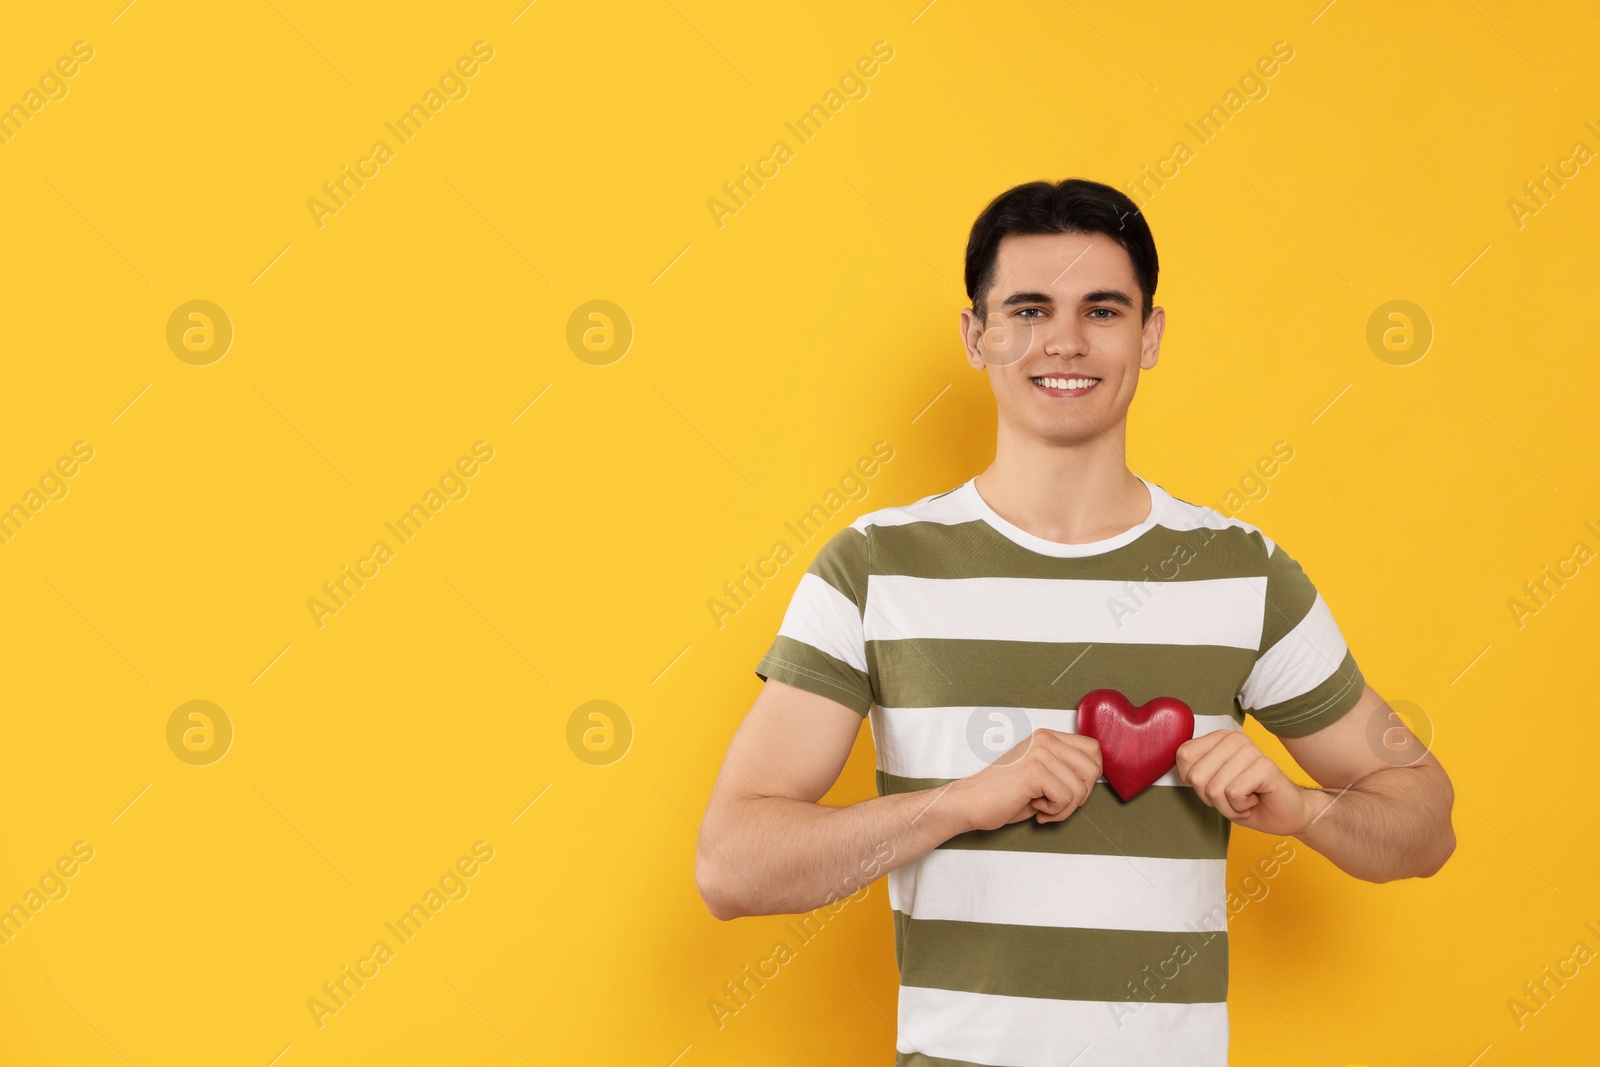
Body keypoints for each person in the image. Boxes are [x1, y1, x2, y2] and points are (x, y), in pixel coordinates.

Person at [694, 177, 1455, 1066]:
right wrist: (957, 803)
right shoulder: (873, 567)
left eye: (1102, 309)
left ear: (1150, 335)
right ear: (976, 337)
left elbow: (1425, 821)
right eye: (1026, 309)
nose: (1063, 341)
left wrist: (1300, 810)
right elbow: (732, 864)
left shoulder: (1243, 573)